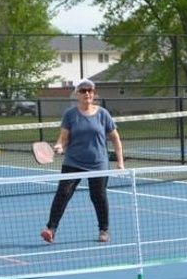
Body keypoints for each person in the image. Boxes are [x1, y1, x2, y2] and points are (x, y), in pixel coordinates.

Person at [41, 78, 125, 244]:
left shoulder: (103, 114)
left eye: (90, 90)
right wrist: (59, 145)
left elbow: (115, 139)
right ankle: (51, 229)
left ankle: (104, 230)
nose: (87, 93)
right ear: (77, 94)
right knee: (63, 194)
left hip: (98, 163)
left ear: (93, 93)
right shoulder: (70, 114)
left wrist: (120, 163)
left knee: (98, 196)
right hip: (73, 162)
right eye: (83, 91)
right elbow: (63, 138)